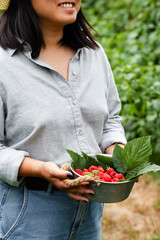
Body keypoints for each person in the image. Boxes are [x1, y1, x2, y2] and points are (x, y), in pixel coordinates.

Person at [0, 0, 127, 239]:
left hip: (89, 211)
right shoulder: (4, 63)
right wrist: (39, 168)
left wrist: (117, 151)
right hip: (29, 214)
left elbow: (111, 120)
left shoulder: (94, 54)